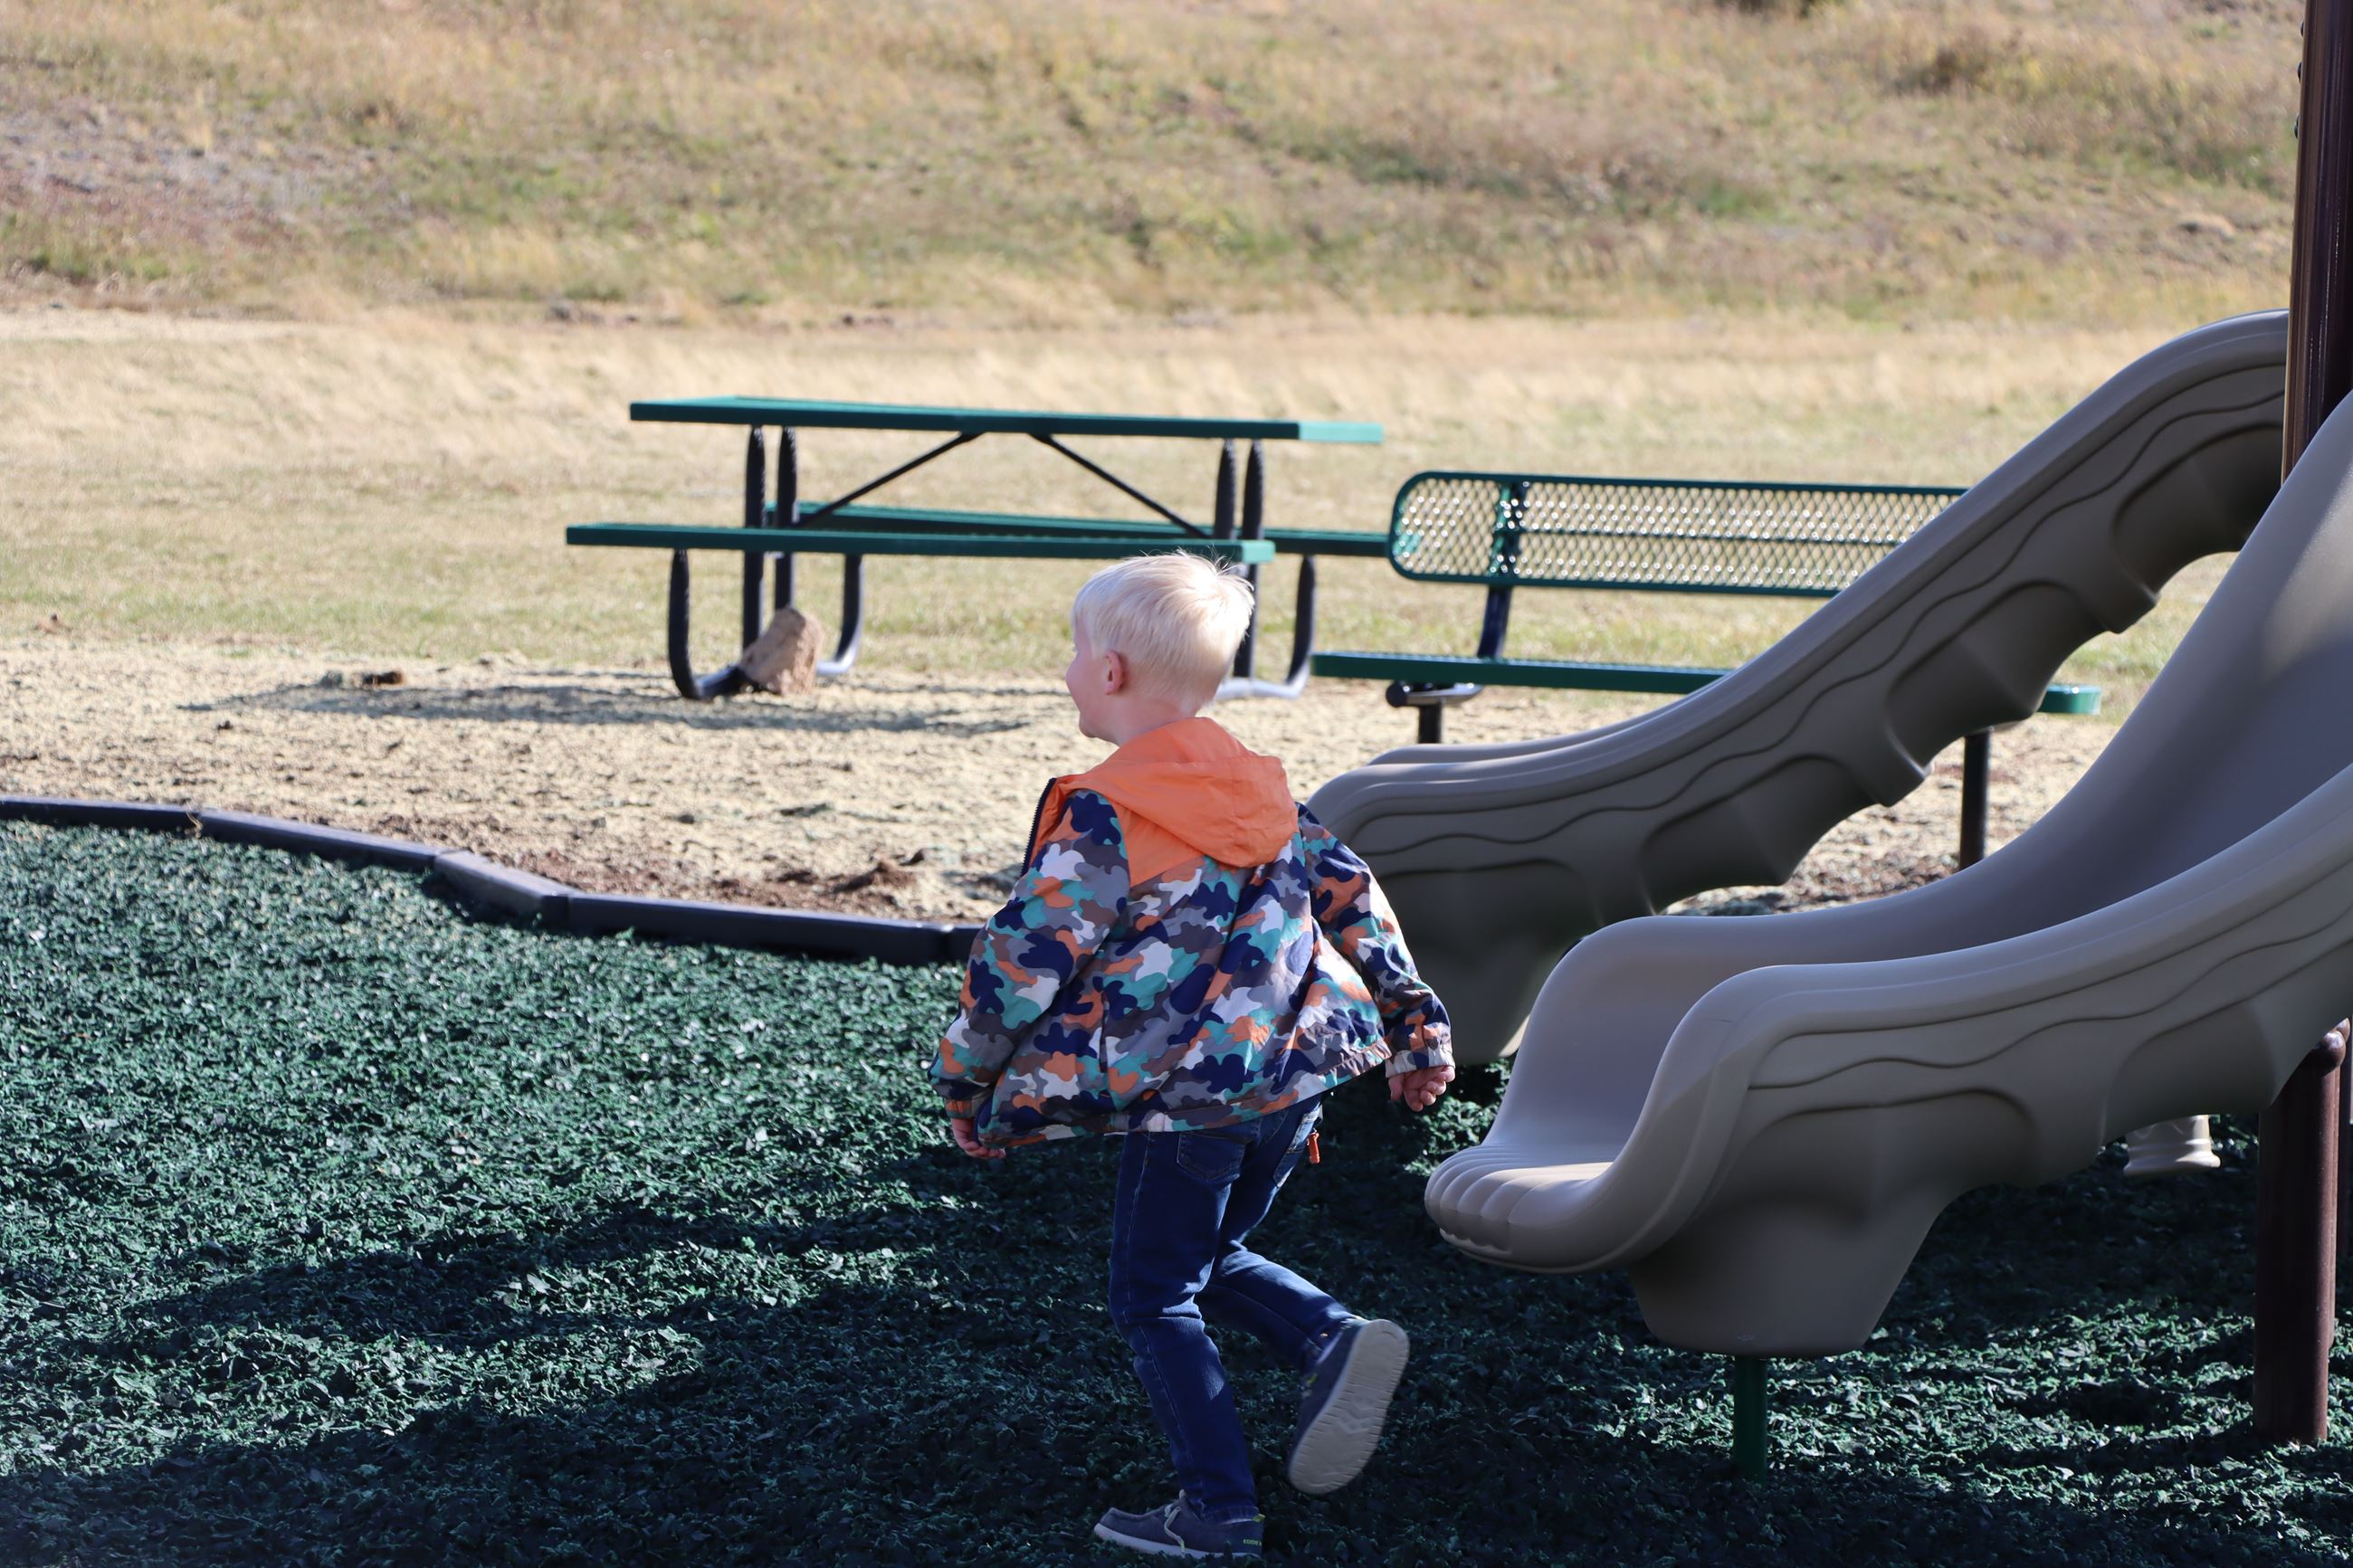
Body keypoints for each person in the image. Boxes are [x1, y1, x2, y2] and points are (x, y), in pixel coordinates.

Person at [928, 553, 1456, 1562]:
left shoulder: (1106, 814)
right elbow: (1360, 903)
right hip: (1291, 1084)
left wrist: (969, 1081)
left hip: (1192, 1101)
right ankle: (1327, 1336)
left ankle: (1216, 1507)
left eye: (1076, 654)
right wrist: (1416, 1027)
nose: (1068, 672)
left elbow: (1018, 964)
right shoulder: (1260, 791)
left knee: (1151, 1293)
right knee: (1206, 1256)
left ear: (1113, 671)